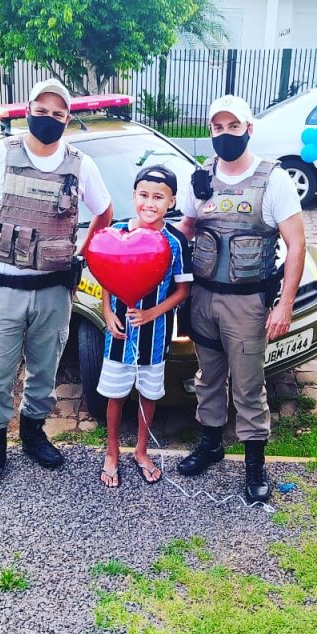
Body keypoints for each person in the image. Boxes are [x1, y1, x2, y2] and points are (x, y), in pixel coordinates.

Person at [0, 78, 113, 490]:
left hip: (54, 291)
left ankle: (34, 433)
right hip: (2, 287)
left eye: (57, 113)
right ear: (28, 110)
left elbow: (105, 212)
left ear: (67, 119)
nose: (48, 119)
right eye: (41, 111)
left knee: (44, 370)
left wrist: (82, 255)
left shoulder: (81, 165)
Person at [177, 94, 306, 503]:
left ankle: (254, 465)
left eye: (233, 126)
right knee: (208, 378)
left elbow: (296, 244)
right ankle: (211, 444)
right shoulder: (200, 177)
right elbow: (185, 230)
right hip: (203, 298)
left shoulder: (273, 180)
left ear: (249, 129)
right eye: (218, 127)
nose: (225, 134)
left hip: (248, 303)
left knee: (249, 387)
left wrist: (285, 304)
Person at [97, 165, 192, 488]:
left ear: (171, 201)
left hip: (156, 335)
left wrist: (152, 313)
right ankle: (111, 451)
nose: (149, 203)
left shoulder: (176, 242)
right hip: (119, 333)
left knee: (148, 394)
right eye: (143, 195)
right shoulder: (116, 232)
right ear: (134, 196)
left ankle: (141, 450)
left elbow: (182, 290)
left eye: (158, 197)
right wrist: (106, 310)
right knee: (115, 395)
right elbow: (105, 274)